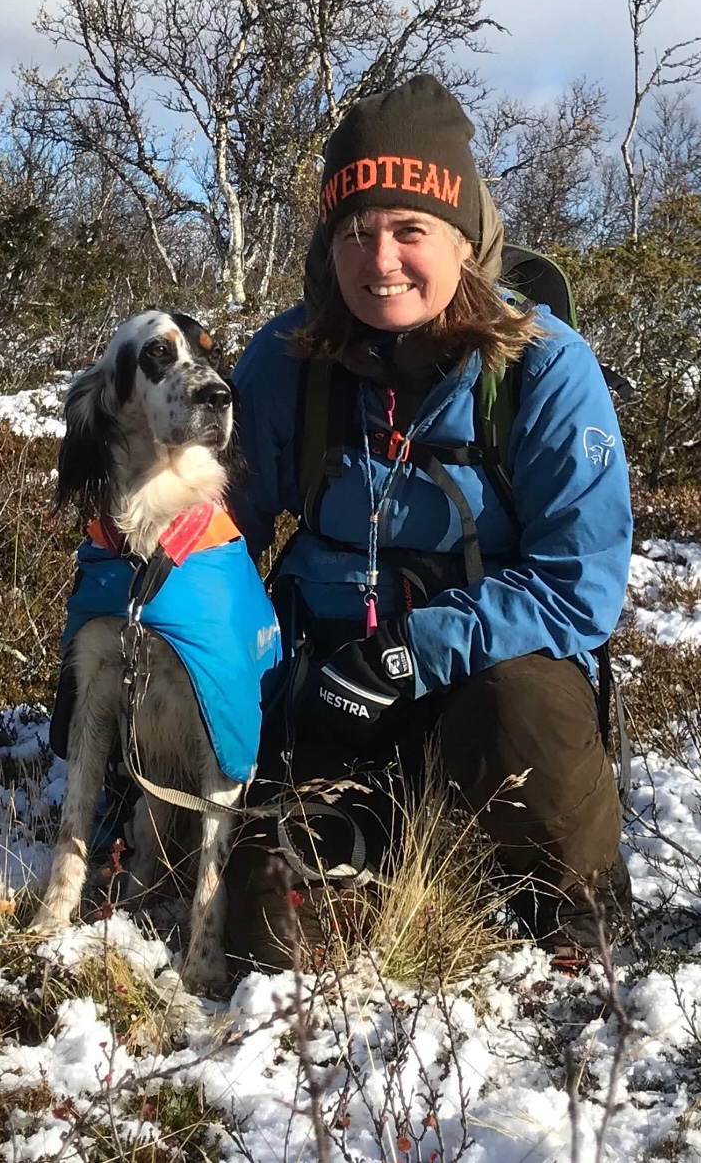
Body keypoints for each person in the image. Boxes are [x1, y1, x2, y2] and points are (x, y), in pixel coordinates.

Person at [225, 73, 633, 973]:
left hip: (489, 702)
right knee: (271, 935)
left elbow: (579, 587)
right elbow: (213, 539)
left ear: (463, 237)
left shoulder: (544, 370)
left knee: (524, 707)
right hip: (330, 701)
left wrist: (408, 653)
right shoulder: (287, 363)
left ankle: (570, 914)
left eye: (410, 230)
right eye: (355, 233)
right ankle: (373, 858)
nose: (381, 262)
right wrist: (137, 644)